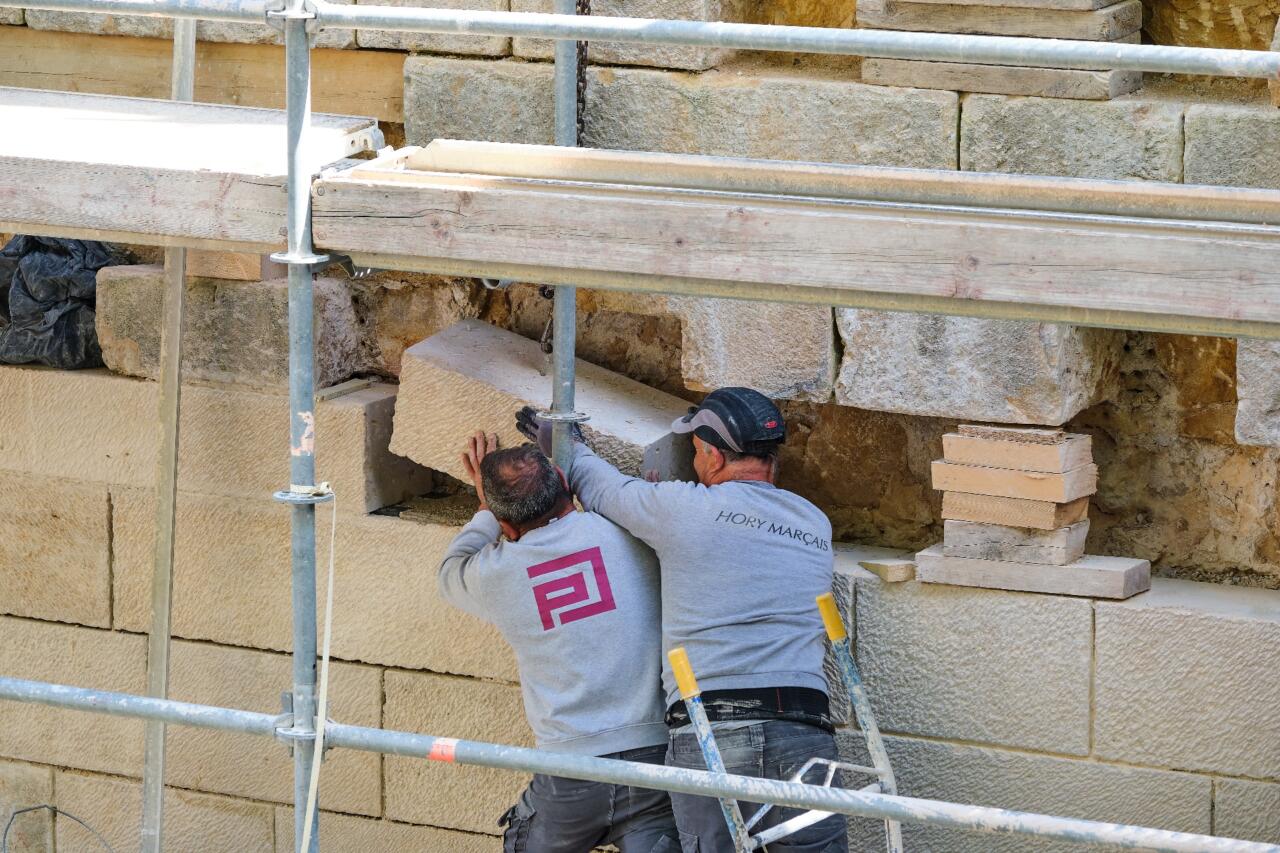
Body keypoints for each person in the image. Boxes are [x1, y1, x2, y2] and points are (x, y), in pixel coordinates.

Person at [518, 388, 844, 853]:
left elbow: (603, 490)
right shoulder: (813, 522)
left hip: (715, 731)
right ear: (772, 460)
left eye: (694, 453)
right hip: (804, 728)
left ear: (712, 455)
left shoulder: (684, 509)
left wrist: (563, 441)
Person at [439, 433, 679, 853]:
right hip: (655, 765)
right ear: (565, 481)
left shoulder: (495, 574)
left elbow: (449, 571)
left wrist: (484, 511)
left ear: (505, 525)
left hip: (569, 775)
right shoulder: (629, 531)